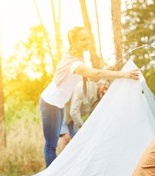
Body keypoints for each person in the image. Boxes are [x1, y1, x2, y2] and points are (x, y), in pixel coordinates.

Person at [39, 26, 139, 167]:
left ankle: (55, 174)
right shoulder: (74, 62)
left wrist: (105, 70)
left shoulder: (77, 56)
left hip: (59, 104)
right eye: (83, 39)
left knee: (55, 142)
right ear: (73, 41)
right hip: (50, 103)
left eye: (88, 38)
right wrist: (124, 74)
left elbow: (91, 76)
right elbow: (95, 74)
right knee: (51, 145)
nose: (87, 41)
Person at [59, 79, 110, 151]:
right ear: (99, 84)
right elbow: (74, 111)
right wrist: (82, 127)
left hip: (72, 120)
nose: (105, 92)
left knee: (77, 142)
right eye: (105, 88)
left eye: (107, 90)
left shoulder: (98, 98)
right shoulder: (83, 89)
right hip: (62, 114)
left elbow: (93, 116)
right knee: (66, 138)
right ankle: (60, 161)